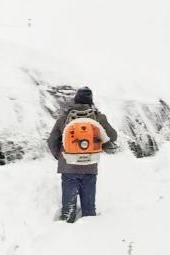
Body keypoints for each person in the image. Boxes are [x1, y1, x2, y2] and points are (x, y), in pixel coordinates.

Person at [47, 87, 117, 223]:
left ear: (76, 100)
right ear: (91, 101)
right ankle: (88, 234)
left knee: (68, 208)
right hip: (90, 166)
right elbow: (113, 136)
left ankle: (65, 231)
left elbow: (51, 140)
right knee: (89, 208)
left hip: (68, 167)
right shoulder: (98, 117)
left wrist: (60, 156)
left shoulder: (64, 117)